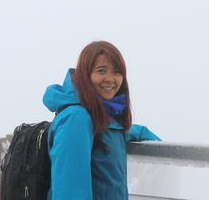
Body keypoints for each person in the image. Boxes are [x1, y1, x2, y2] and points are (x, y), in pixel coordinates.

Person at [43, 41, 161, 200]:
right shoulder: (77, 118)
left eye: (117, 72)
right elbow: (70, 193)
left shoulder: (96, 117)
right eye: (101, 71)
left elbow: (111, 132)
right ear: (85, 75)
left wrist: (144, 133)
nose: (110, 79)